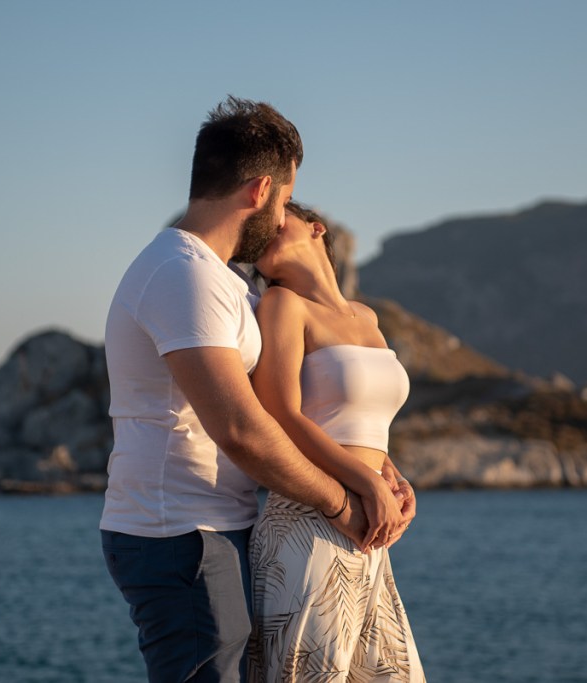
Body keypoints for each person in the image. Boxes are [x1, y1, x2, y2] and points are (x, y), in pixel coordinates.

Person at [99, 96, 412, 683]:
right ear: (261, 190)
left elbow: (310, 406)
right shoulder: (183, 274)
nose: (285, 212)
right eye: (286, 198)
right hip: (179, 531)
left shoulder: (227, 284)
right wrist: (342, 504)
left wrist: (382, 472)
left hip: (219, 525)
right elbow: (243, 429)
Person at [248, 201, 425, 682]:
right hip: (309, 517)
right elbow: (280, 414)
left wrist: (393, 478)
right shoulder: (282, 305)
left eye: (275, 219)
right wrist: (369, 484)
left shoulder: (367, 317)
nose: (263, 230)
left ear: (316, 228)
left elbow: (359, 420)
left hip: (366, 524)